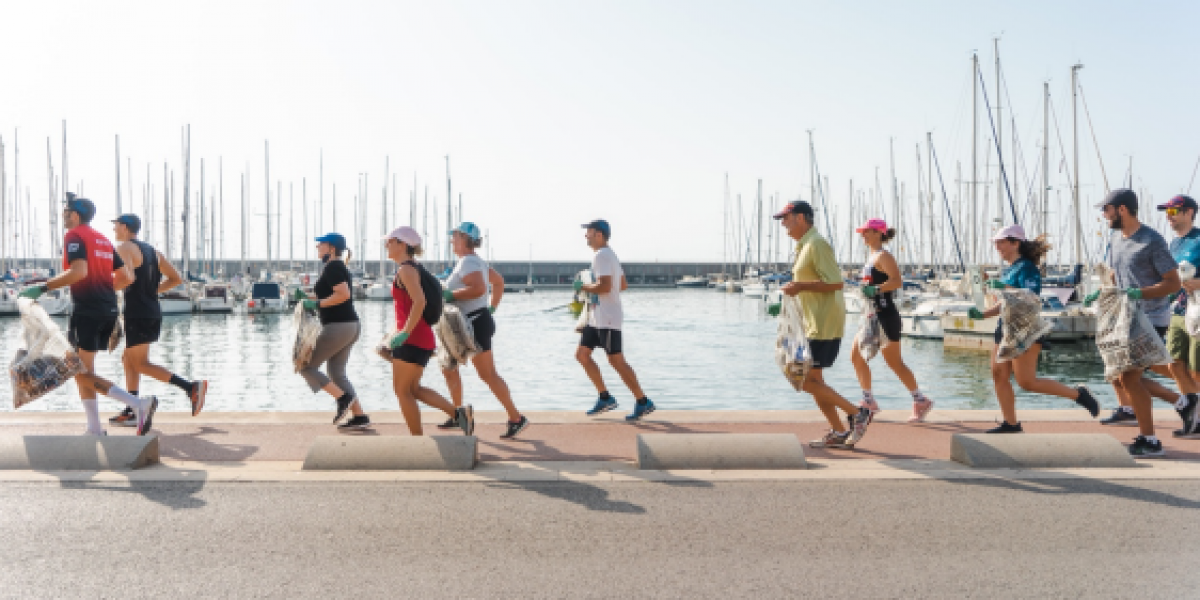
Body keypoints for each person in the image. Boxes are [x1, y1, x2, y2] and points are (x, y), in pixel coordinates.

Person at [18, 196, 156, 436]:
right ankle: (94, 428)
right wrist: (103, 290)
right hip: (108, 309)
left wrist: (42, 288)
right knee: (84, 370)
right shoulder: (103, 239)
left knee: (79, 371)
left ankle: (137, 404)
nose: (62, 216)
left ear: (75, 215)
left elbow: (79, 272)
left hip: (88, 310)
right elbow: (127, 277)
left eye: (65, 212)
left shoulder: (75, 235)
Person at [1082, 189, 1191, 457]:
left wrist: (1139, 293)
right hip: (1125, 316)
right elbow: (1118, 275)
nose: (1103, 215)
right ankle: (1182, 403)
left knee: (1130, 377)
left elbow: (1173, 283)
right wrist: (1105, 289)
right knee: (1123, 377)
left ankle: (1150, 439)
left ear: (1121, 209)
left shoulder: (1151, 241)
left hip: (1152, 316)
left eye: (1105, 209)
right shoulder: (1117, 238)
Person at [967, 224, 1099, 433]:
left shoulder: (1027, 267)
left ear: (1015, 243)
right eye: (996, 243)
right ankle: (1011, 424)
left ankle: (1078, 394)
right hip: (1005, 326)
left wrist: (1004, 287)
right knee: (998, 374)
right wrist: (982, 314)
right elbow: (1005, 302)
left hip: (1025, 329)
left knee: (1027, 382)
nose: (997, 246)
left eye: (1001, 242)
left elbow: (1031, 297)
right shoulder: (1009, 269)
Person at [774, 200, 871, 448]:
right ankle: (839, 430)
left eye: (786, 217)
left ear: (801, 218)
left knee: (804, 380)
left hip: (823, 322)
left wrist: (799, 286)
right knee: (814, 381)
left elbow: (836, 283)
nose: (783, 223)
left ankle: (858, 413)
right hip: (811, 322)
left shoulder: (817, 244)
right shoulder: (804, 246)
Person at [107, 214, 208, 427]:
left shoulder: (124, 248)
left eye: (116, 226)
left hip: (138, 312)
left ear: (125, 227)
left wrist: (102, 290)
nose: (114, 230)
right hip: (151, 310)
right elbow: (176, 279)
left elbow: (127, 278)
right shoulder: (153, 252)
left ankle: (191, 388)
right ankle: (132, 407)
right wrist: (152, 291)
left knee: (139, 363)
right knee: (128, 359)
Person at [437, 222, 529, 439]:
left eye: (455, 236)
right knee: (448, 367)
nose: (452, 240)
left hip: (473, 324)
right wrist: (492, 307)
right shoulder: (473, 262)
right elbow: (498, 282)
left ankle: (516, 418)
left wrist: (452, 295)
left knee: (487, 374)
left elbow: (479, 288)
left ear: (465, 239)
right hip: (468, 323)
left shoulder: (469, 262)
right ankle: (457, 414)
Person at [383, 226, 474, 436]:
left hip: (412, 339)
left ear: (402, 244)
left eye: (390, 241)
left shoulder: (406, 270)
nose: (386, 245)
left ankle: (417, 440)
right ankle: (459, 415)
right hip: (421, 338)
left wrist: (404, 332)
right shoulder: (415, 267)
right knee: (413, 390)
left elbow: (420, 301)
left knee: (402, 391)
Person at [849, 218, 933, 422]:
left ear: (879, 233)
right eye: (863, 232)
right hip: (871, 315)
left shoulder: (884, 256)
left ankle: (920, 400)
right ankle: (868, 400)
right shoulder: (872, 256)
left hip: (885, 315)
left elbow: (896, 281)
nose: (863, 235)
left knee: (895, 363)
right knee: (856, 356)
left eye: (867, 231)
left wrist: (876, 289)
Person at [576, 219, 655, 421]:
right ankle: (605, 397)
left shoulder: (602, 256)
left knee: (616, 361)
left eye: (589, 232)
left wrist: (584, 287)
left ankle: (643, 401)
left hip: (608, 319)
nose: (586, 235)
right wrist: (596, 291)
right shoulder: (610, 255)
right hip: (597, 317)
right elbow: (622, 285)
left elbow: (604, 286)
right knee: (582, 355)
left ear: (599, 235)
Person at [292, 233, 371, 430]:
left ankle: (343, 399)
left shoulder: (334, 266)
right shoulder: (335, 267)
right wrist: (308, 297)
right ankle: (360, 416)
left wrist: (316, 302)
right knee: (336, 373)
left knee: (305, 367)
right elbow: (333, 295)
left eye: (321, 244)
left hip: (338, 326)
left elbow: (343, 294)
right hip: (350, 325)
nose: (317, 246)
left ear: (332, 248)